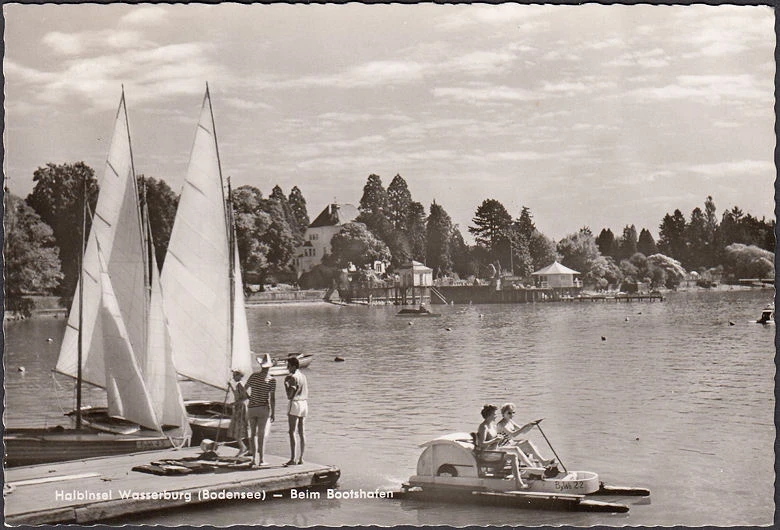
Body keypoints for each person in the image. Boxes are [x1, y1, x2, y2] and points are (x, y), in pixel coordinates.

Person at [476, 404, 527, 489]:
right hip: (487, 454)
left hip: (494, 451)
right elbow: (481, 444)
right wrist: (495, 440)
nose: (496, 416)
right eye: (494, 414)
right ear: (489, 415)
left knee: (515, 449)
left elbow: (494, 439)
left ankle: (522, 472)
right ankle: (519, 483)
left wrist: (498, 439)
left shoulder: (491, 425)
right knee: (513, 456)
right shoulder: (483, 427)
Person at [496, 402, 555, 467]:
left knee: (531, 444)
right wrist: (526, 425)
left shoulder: (510, 422)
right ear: (503, 414)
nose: (512, 415)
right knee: (527, 443)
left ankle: (540, 466)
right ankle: (540, 464)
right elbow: (512, 435)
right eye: (509, 413)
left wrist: (531, 425)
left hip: (510, 443)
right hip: (503, 446)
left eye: (513, 413)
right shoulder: (501, 424)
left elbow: (524, 431)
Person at [246, 353, 276, 467]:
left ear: (261, 365)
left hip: (252, 408)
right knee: (261, 434)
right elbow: (272, 398)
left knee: (253, 434)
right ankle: (262, 460)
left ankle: (253, 459)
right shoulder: (272, 380)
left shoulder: (253, 376)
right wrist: (273, 412)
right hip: (263, 408)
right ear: (269, 366)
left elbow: (244, 389)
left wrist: (250, 398)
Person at [283, 356, 308, 466]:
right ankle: (301, 458)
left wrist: (286, 385)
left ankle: (293, 458)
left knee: (292, 431)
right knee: (302, 432)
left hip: (295, 403)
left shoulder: (293, 377)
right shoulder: (303, 376)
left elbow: (289, 395)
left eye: (288, 366)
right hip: (304, 403)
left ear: (293, 366)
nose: (287, 368)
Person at [226, 369, 250, 457]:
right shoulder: (238, 385)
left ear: (239, 376)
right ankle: (246, 448)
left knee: (238, 429)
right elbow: (237, 395)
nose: (233, 377)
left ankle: (243, 447)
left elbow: (245, 397)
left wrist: (234, 403)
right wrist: (231, 386)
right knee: (238, 429)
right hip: (239, 407)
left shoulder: (240, 384)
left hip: (241, 408)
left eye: (234, 375)